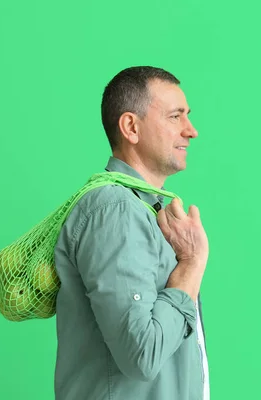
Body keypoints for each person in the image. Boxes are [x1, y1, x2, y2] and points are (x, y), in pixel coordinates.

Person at [52, 66, 210, 400]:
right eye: (175, 116)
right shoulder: (115, 210)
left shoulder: (144, 210)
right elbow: (142, 354)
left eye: (188, 116)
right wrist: (191, 266)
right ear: (131, 127)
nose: (191, 130)